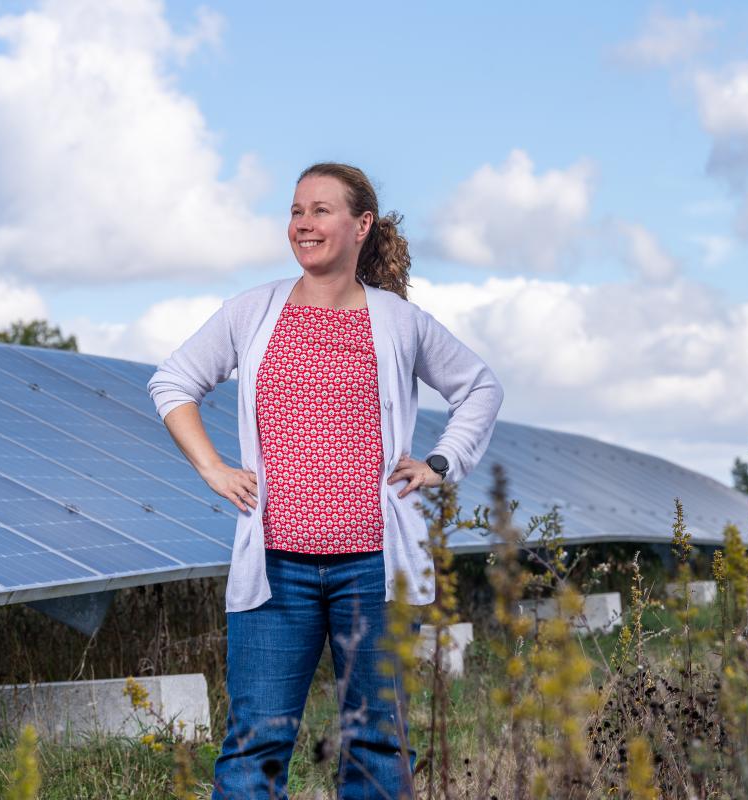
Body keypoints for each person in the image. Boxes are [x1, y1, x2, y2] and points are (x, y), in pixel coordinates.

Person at [147, 162, 504, 799]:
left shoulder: (398, 320)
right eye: (295, 211)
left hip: (375, 567)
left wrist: (441, 463)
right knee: (256, 739)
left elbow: (479, 387)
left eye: (319, 211)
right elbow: (172, 383)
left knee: (375, 740)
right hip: (275, 567)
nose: (303, 225)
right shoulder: (252, 311)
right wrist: (212, 468)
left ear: (361, 224)